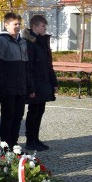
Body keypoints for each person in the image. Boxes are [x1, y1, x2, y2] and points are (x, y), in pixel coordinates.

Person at [0, 12, 32, 148]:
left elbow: (26, 67)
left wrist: (29, 87)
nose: (17, 27)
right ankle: (5, 145)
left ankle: (14, 144)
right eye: (14, 24)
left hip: (20, 87)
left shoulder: (22, 42)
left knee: (18, 116)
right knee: (7, 116)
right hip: (7, 87)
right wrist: (2, 86)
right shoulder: (1, 40)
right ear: (6, 25)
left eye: (19, 24)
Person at [21, 15, 57, 151]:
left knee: (39, 111)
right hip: (35, 84)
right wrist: (30, 88)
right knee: (33, 112)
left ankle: (35, 138)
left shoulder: (41, 42)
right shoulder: (29, 43)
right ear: (35, 26)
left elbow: (48, 64)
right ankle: (30, 140)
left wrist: (53, 81)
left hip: (43, 83)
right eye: (43, 26)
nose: (45, 28)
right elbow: (28, 67)